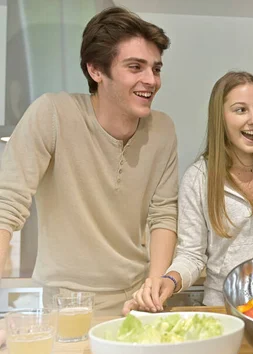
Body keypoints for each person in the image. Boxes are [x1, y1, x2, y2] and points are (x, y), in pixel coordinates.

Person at [0, 7, 178, 315]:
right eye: (135, 67)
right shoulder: (52, 114)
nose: (151, 80)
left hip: (133, 300)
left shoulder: (162, 130)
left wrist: (153, 286)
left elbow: (163, 214)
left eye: (156, 69)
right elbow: (6, 207)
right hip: (63, 304)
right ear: (96, 70)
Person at [123, 71, 253, 313]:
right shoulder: (199, 178)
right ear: (220, 117)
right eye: (241, 110)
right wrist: (168, 281)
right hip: (223, 310)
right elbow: (191, 254)